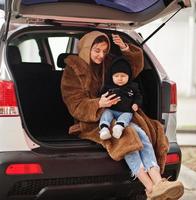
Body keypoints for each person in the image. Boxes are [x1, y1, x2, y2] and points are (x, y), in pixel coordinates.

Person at [61, 31, 184, 200]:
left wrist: (125, 48)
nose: (101, 55)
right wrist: (98, 103)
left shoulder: (108, 63)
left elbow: (131, 68)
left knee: (144, 133)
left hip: (121, 112)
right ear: (86, 49)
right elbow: (74, 104)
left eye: (104, 51)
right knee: (128, 135)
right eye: (97, 50)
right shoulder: (72, 72)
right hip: (92, 119)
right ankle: (150, 188)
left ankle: (158, 182)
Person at [99, 57, 143, 140]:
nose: (120, 78)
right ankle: (104, 129)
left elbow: (138, 96)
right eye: (116, 76)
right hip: (111, 109)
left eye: (123, 76)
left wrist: (136, 104)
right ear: (112, 77)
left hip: (125, 111)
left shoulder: (132, 87)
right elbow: (101, 96)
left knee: (128, 115)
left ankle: (119, 127)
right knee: (106, 114)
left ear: (128, 76)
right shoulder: (108, 87)